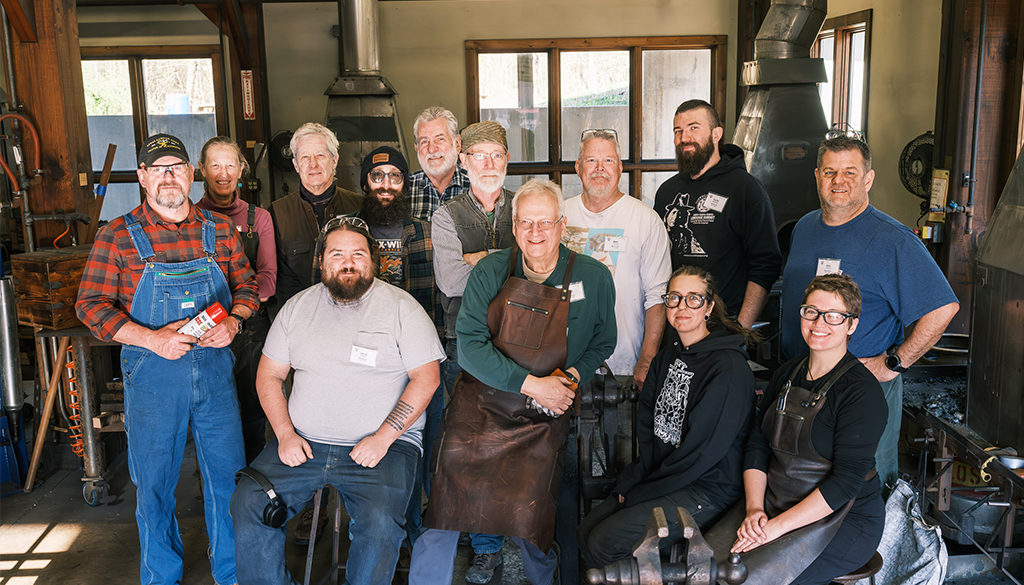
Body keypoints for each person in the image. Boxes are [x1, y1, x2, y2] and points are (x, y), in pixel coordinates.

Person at [411, 179, 617, 585]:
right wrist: (531, 384)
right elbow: (469, 347)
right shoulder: (491, 270)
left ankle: (543, 578)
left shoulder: (592, 276)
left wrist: (570, 377)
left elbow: (603, 340)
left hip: (543, 412)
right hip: (480, 405)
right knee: (444, 508)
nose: (535, 233)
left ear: (561, 226)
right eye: (526, 223)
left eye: (544, 223)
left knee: (531, 510)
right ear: (515, 227)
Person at [76, 133, 258, 585]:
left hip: (215, 373)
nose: (168, 177)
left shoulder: (219, 229)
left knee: (227, 479)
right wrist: (151, 339)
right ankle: (161, 575)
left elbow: (247, 288)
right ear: (142, 177)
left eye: (176, 167)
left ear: (191, 173)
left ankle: (231, 574)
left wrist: (233, 322)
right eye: (158, 169)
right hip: (154, 373)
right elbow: (91, 305)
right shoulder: (117, 235)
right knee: (154, 486)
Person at [230, 217, 444, 585]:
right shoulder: (297, 309)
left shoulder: (401, 308)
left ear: (372, 261)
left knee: (379, 525)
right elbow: (269, 375)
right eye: (337, 254)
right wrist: (284, 434)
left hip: (382, 447)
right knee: (248, 501)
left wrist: (383, 438)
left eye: (358, 254)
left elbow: (427, 378)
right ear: (322, 261)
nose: (348, 263)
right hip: (302, 443)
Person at [780, 135, 959, 494]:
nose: (838, 180)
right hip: (802, 382)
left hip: (861, 390)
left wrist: (893, 363)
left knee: (861, 492)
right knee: (802, 485)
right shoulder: (803, 228)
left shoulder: (894, 240)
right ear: (817, 176)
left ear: (868, 179)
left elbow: (943, 308)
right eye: (830, 171)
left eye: (850, 172)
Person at [577, 265, 757, 569]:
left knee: (604, 542)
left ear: (709, 307)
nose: (681, 307)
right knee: (584, 532)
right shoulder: (668, 355)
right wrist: (631, 481)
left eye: (693, 299)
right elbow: (649, 433)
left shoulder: (726, 367)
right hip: (668, 477)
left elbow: (701, 453)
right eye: (674, 298)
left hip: (706, 488)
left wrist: (642, 492)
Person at [722, 274, 887, 585]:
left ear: (851, 325)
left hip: (844, 519)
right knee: (711, 564)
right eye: (811, 311)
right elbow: (758, 443)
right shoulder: (787, 373)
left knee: (754, 577)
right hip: (778, 501)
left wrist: (774, 529)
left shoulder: (861, 393)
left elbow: (845, 483)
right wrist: (755, 509)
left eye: (833, 316)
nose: (818, 323)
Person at [428, 120, 516, 583]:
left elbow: (540, 272)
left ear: (506, 161)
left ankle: (490, 543)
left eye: (495, 155)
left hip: (520, 345)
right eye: (477, 155)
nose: (487, 164)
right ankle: (464, 531)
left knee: (502, 448)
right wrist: (508, 262)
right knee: (461, 446)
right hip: (463, 346)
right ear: (464, 161)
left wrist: (477, 259)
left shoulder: (525, 208)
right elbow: (450, 281)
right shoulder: (446, 215)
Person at [345, 145, 444, 545]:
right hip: (360, 363)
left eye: (395, 177)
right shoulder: (343, 231)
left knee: (425, 447)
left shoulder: (426, 230)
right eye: (377, 176)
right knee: (366, 444)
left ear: (405, 183)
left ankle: (421, 534)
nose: (386, 185)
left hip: (417, 361)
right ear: (365, 182)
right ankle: (375, 533)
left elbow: (436, 298)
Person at [653, 99, 782, 327]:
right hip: (675, 323)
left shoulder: (745, 189)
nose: (684, 138)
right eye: (678, 130)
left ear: (716, 134)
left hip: (724, 326)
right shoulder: (666, 192)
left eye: (694, 127)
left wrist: (740, 330)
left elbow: (765, 264)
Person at [563, 129, 671, 388]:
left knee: (620, 428)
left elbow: (657, 297)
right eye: (591, 160)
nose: (599, 168)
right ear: (578, 167)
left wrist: (646, 360)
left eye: (608, 161)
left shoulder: (645, 220)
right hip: (562, 364)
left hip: (623, 365)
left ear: (620, 167)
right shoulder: (559, 215)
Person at [196, 136, 276, 464]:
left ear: (241, 169)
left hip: (251, 330)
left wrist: (234, 312)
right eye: (215, 165)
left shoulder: (259, 218)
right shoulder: (189, 218)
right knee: (210, 416)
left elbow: (268, 279)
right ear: (201, 170)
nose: (223, 173)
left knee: (252, 414)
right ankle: (215, 489)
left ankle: (251, 490)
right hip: (203, 330)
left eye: (230, 164)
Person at [270, 122, 364, 305]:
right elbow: (282, 280)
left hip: (355, 309)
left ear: (334, 160)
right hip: (301, 314)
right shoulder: (277, 213)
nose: (313, 164)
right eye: (305, 157)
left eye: (320, 155)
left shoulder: (361, 206)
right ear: (296, 164)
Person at [409, 106, 470, 221]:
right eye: (424, 141)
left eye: (440, 139)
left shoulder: (476, 187)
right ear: (416, 148)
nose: (431, 149)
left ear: (457, 144)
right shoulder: (403, 188)